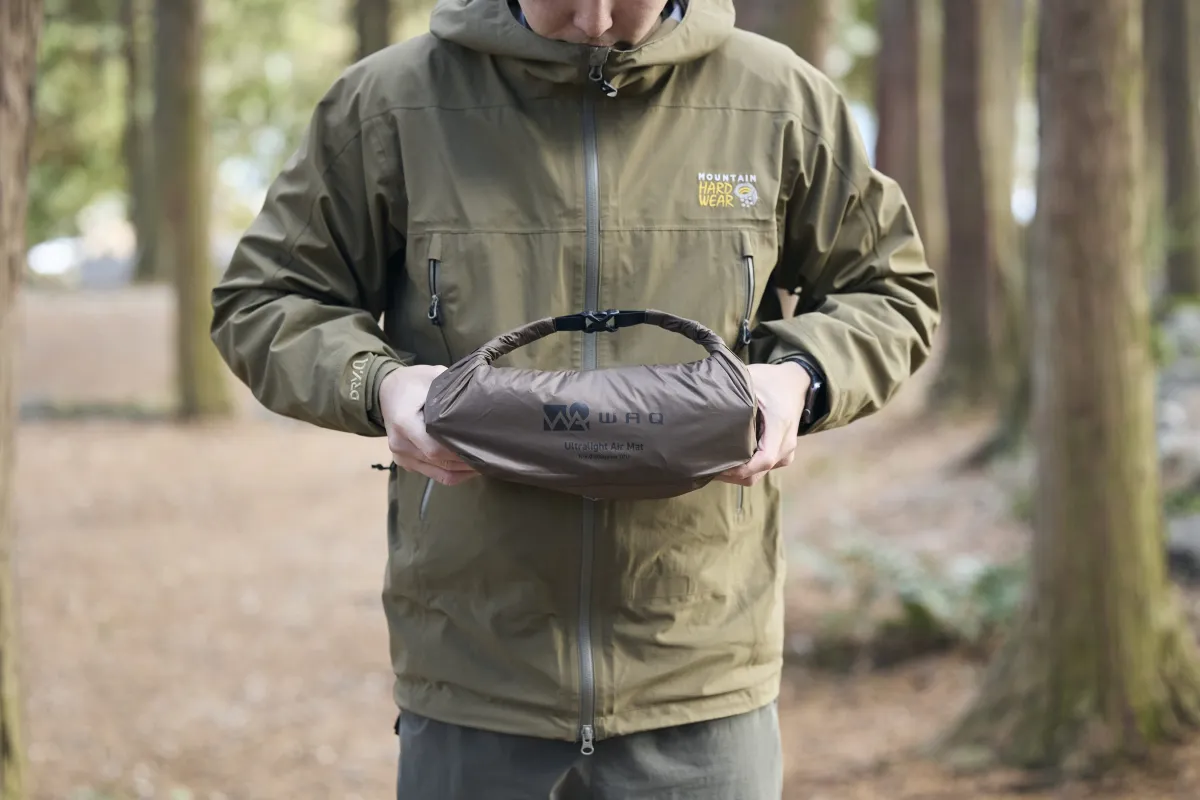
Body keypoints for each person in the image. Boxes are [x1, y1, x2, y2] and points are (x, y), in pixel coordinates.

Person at [209, 0, 940, 796]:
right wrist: (379, 382)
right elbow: (265, 299)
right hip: (475, 676)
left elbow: (889, 291)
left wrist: (800, 376)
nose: (594, 21)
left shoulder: (779, 100)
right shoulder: (391, 104)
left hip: (702, 683)